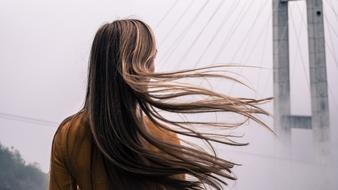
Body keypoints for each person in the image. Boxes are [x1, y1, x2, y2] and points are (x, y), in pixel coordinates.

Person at [48, 19, 271, 190]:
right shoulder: (163, 139)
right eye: (151, 58)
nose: (154, 69)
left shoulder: (68, 134)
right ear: (139, 67)